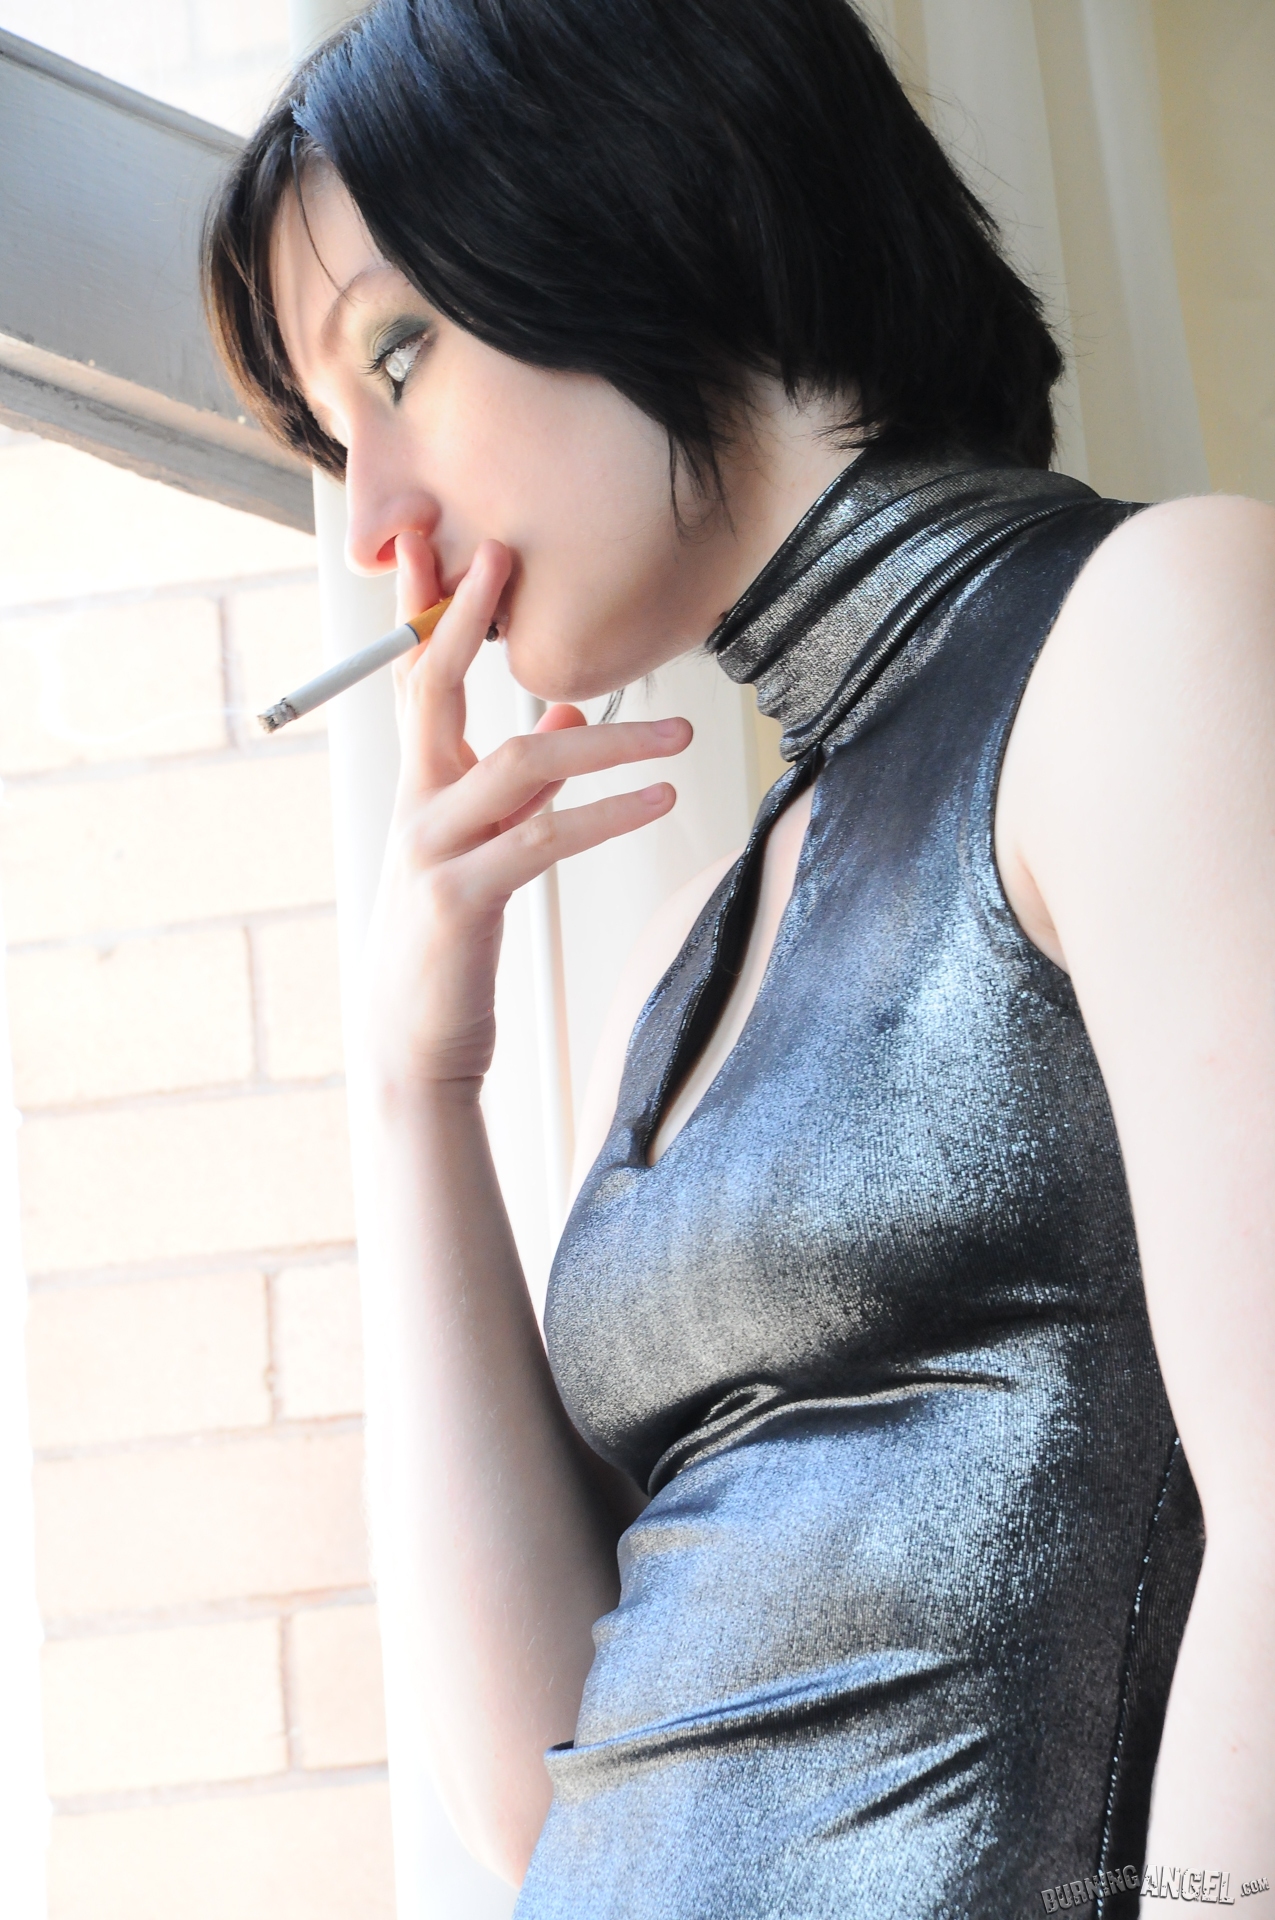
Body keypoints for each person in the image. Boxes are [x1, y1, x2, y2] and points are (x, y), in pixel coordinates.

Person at [204, 0, 1275, 1910]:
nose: (374, 521)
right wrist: (413, 1085)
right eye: (333, 441)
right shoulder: (701, 952)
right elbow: (542, 1800)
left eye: (400, 355)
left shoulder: (1153, 625)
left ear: (648, 192)